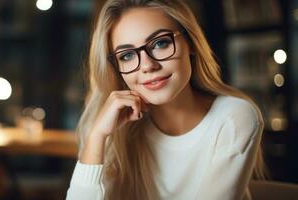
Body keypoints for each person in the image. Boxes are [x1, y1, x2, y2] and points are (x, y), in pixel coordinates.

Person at [66, 0, 267, 199]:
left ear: (191, 43)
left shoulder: (233, 117)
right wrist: (97, 137)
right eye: (126, 55)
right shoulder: (115, 130)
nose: (147, 65)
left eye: (160, 43)